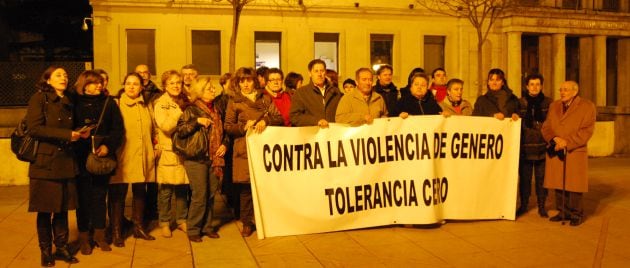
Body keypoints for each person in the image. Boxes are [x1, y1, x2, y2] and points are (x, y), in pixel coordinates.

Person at [26, 66, 86, 266]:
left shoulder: (68, 100)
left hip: (66, 161)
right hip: (45, 163)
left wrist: (79, 132)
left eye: (66, 75)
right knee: (45, 209)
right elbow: (34, 128)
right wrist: (67, 135)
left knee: (62, 209)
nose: (64, 78)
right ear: (48, 80)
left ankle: (61, 247)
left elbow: (69, 128)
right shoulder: (39, 99)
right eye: (58, 75)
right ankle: (45, 250)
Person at [224, 67, 283, 237]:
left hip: (264, 148)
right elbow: (228, 127)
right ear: (238, 82)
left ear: (254, 81)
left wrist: (265, 120)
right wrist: (243, 127)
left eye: (248, 80)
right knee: (246, 188)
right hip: (244, 148)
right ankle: (247, 222)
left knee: (265, 186)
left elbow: (278, 117)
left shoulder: (264, 98)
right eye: (242, 80)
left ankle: (264, 219)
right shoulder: (234, 101)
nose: (245, 84)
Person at [73, 70, 124, 255]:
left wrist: (107, 147)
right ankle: (84, 238)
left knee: (99, 197)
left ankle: (100, 236)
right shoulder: (74, 102)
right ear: (85, 84)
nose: (99, 85)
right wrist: (79, 133)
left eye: (101, 82)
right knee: (83, 199)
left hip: (101, 158)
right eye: (95, 82)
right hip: (80, 157)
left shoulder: (108, 103)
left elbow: (118, 129)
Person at [176, 78, 229, 242]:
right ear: (200, 91)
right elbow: (180, 130)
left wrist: (225, 144)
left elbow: (225, 131)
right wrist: (196, 122)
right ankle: (193, 229)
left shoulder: (217, 109)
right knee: (200, 195)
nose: (213, 91)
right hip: (197, 157)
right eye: (209, 89)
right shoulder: (191, 110)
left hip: (214, 158)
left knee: (211, 193)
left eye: (213, 88)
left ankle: (207, 227)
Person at [109, 73, 157, 247]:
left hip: (143, 154)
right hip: (123, 155)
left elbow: (153, 129)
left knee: (140, 192)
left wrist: (155, 147)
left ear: (141, 87)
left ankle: (138, 226)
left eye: (135, 84)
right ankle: (116, 231)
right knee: (118, 195)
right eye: (128, 83)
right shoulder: (117, 104)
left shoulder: (146, 105)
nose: (131, 87)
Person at [542, 81, 596, 226]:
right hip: (556, 149)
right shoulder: (554, 105)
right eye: (561, 89)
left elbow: (587, 130)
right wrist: (554, 139)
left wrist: (567, 142)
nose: (562, 92)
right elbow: (546, 126)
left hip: (574, 150)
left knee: (574, 185)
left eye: (566, 90)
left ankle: (576, 213)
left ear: (575, 91)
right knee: (558, 183)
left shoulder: (587, 106)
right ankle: (562, 211)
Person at [154, 70, 190, 238]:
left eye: (178, 83)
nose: (176, 86)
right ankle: (165, 222)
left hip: (184, 151)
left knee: (183, 189)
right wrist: (178, 112)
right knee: (166, 190)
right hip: (168, 151)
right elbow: (166, 126)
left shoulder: (184, 100)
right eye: (172, 83)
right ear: (165, 86)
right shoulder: (161, 103)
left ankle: (182, 220)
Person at [517, 74, 553, 217]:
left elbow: (552, 122)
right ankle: (524, 205)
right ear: (527, 86)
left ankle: (542, 206)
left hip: (542, 147)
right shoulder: (520, 103)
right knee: (525, 179)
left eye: (537, 84)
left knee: (541, 179)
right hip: (525, 147)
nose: (535, 87)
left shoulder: (549, 103)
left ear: (542, 86)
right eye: (532, 84)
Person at [289, 59, 342, 128]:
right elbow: (295, 117)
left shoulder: (335, 92)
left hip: (332, 135)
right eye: (316, 71)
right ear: (310, 73)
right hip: (312, 136)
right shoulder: (301, 93)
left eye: (322, 71)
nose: (319, 74)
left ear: (325, 72)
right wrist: (316, 121)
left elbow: (341, 114)